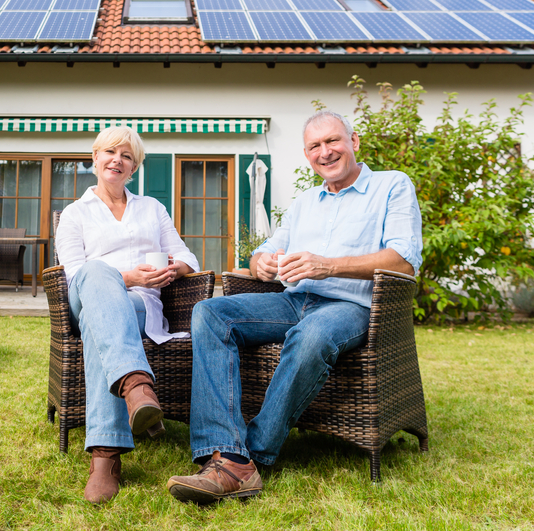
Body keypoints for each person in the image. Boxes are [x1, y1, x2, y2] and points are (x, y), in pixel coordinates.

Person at [166, 110, 422, 504]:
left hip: (351, 307)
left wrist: (329, 266)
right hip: (292, 300)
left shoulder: (392, 186)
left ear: (353, 143)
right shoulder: (305, 202)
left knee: (313, 333)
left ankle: (243, 456)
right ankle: (227, 451)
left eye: (333, 141)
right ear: (307, 155)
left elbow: (403, 260)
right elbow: (266, 251)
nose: (326, 151)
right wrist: (260, 263)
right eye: (315, 146)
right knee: (210, 312)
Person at [55, 125, 200, 504]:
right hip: (85, 297)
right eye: (110, 152)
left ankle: (105, 457)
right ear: (95, 158)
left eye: (126, 156)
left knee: (99, 323)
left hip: (141, 306)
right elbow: (74, 274)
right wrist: (127, 276)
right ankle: (136, 384)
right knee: (95, 272)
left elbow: (188, 257)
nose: (117, 160)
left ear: (133, 168)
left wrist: (174, 270)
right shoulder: (74, 214)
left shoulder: (152, 208)